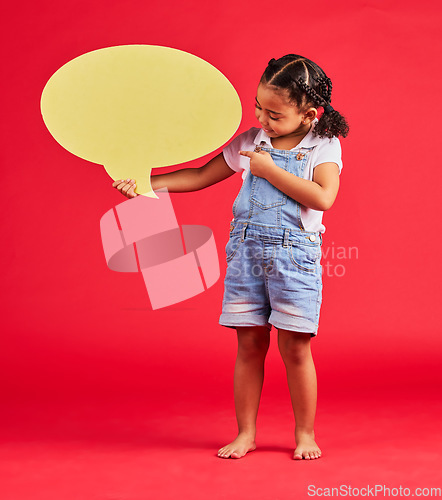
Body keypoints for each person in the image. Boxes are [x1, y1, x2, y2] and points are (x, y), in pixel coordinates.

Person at [112, 54, 349, 460]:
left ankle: (305, 434)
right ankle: (246, 433)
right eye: (258, 107)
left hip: (294, 257)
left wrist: (270, 170)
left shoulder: (322, 146)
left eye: (274, 114)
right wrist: (148, 183)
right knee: (249, 343)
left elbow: (323, 197)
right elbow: (203, 175)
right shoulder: (250, 142)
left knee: (295, 347)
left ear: (309, 114)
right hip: (246, 251)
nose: (262, 119)